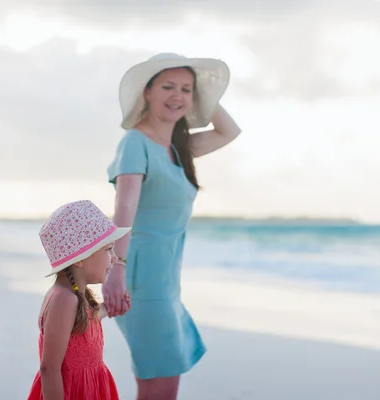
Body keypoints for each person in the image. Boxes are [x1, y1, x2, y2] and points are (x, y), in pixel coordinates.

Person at [103, 53, 242, 399]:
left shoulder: (179, 149)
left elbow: (230, 131)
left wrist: (203, 96)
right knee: (160, 385)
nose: (177, 96)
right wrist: (115, 273)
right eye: (167, 87)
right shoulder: (136, 143)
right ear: (146, 91)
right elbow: (124, 210)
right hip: (140, 280)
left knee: (165, 384)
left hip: (165, 281)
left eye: (186, 89)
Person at [27, 200, 132, 400]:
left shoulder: (74, 295)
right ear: (79, 259)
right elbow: (49, 369)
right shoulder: (63, 299)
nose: (115, 258)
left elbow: (84, 324)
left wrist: (108, 309)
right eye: (108, 249)